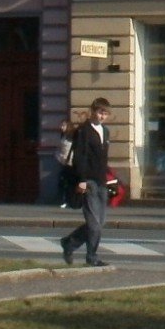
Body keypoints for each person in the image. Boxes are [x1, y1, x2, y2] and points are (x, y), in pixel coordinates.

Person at [60, 98, 113, 267]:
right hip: (88, 181)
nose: (102, 116)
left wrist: (109, 178)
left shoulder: (105, 131)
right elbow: (80, 157)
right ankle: (92, 257)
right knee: (94, 224)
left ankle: (69, 242)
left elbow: (103, 159)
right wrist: (82, 180)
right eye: (99, 112)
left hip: (101, 181)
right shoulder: (84, 131)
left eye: (105, 113)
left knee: (100, 222)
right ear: (92, 111)